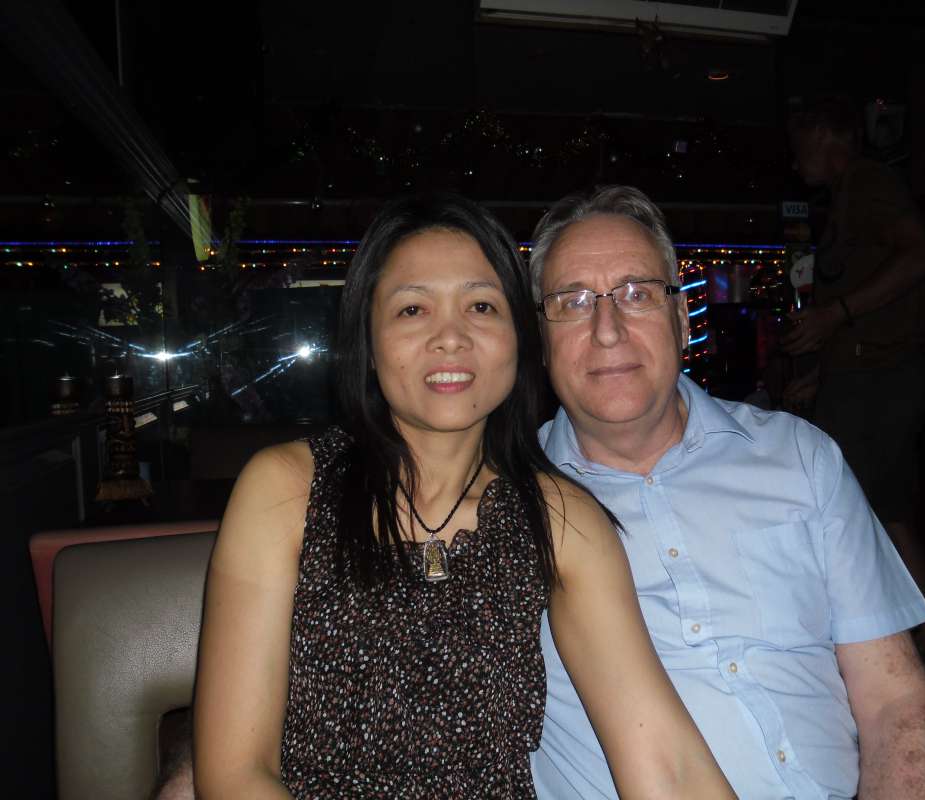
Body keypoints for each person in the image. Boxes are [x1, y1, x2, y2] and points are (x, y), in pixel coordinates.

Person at [192, 191, 736, 798]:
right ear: (367, 341)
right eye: (412, 310)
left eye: (481, 305)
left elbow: (665, 762)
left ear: (519, 338)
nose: (450, 337)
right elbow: (235, 775)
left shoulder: (563, 520)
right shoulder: (287, 490)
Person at [527, 185, 925, 799]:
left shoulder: (801, 458)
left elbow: (895, 700)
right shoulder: (505, 503)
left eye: (637, 293)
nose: (607, 329)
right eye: (572, 302)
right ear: (540, 340)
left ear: (683, 319)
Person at [780, 94, 925, 699]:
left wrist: (835, 313)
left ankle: (916, 657)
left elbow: (922, 255)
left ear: (826, 135)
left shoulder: (868, 184)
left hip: (882, 380)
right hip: (866, 376)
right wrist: (824, 372)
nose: (795, 159)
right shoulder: (850, 195)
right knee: (874, 513)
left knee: (856, 513)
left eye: (800, 143)